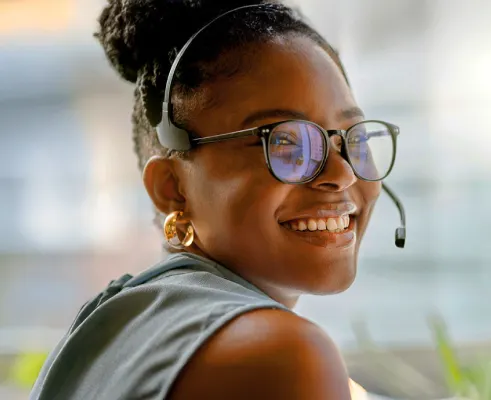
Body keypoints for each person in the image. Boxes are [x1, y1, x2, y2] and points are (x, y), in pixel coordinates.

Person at [30, 1, 400, 399]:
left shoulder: (113, 327)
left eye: (354, 139)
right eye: (287, 143)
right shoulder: (281, 357)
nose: (342, 174)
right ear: (172, 189)